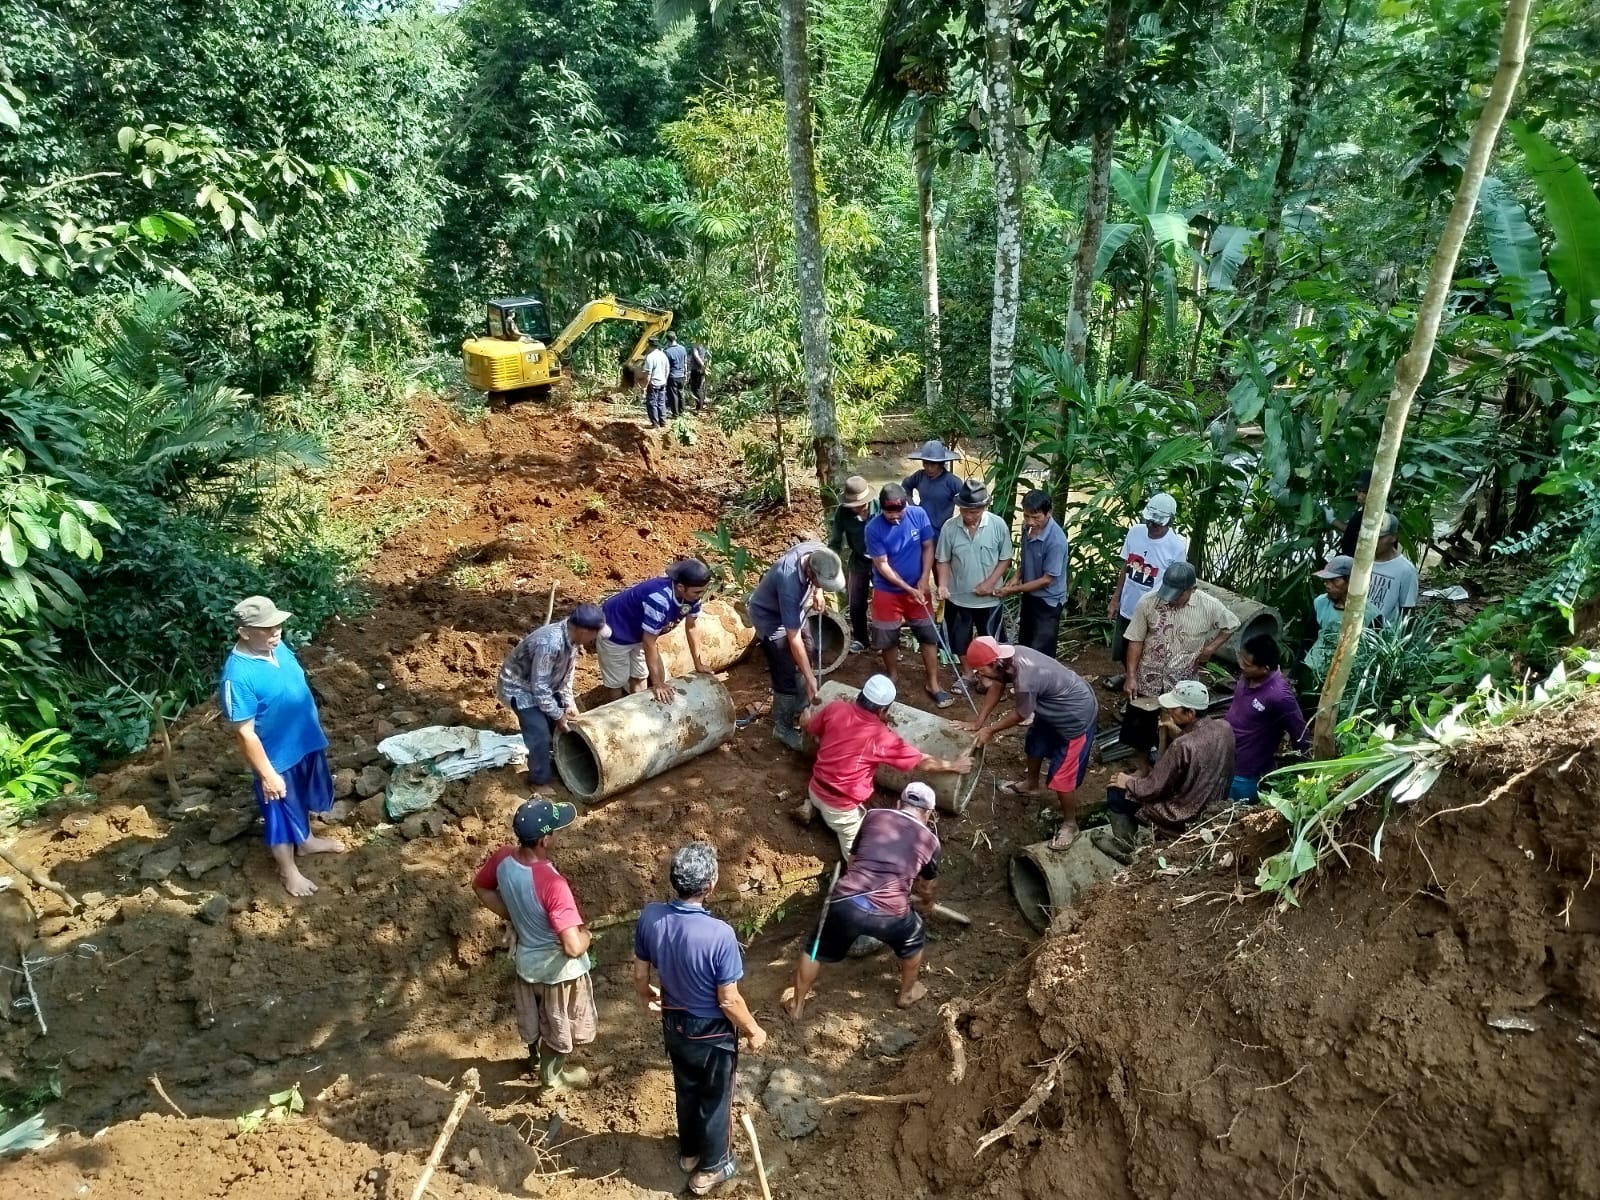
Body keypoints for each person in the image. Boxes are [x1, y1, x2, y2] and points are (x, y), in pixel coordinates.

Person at [633, 843, 767, 1197]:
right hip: (711, 1033)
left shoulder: (650, 916)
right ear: (710, 885)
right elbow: (729, 999)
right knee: (716, 1097)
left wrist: (649, 996)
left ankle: (689, 1154)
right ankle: (712, 1166)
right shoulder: (719, 934)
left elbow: (639, 974)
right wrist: (753, 1030)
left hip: (674, 1024)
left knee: (686, 1089)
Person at [220, 595, 346, 897]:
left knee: (301, 798)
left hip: (305, 743)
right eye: (266, 628)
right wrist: (267, 775)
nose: (275, 631)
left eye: (277, 625)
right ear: (244, 632)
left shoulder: (277, 647)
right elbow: (245, 733)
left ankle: (306, 841)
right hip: (277, 758)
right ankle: (288, 870)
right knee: (278, 815)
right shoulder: (238, 676)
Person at [784, 782, 941, 1021]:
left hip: (847, 902)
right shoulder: (931, 842)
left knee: (814, 950)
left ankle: (796, 1006)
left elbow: (853, 860)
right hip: (891, 915)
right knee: (915, 940)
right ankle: (906, 994)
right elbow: (927, 887)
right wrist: (926, 904)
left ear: (899, 803)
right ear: (928, 814)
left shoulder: (874, 816)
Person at [472, 799, 595, 1092]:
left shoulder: (503, 858)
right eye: (554, 831)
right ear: (544, 839)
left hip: (527, 964)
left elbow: (481, 887)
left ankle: (536, 1059)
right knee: (558, 1025)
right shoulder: (553, 885)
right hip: (557, 976)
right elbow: (572, 947)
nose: (556, 836)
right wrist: (587, 935)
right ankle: (552, 1078)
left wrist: (513, 915)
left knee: (535, 1016)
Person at [796, 674, 973, 855]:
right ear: (882, 711)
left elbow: (810, 727)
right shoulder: (881, 738)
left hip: (815, 787)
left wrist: (806, 719)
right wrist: (954, 765)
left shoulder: (835, 708)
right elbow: (923, 762)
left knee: (830, 804)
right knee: (861, 860)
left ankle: (812, 806)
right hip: (841, 809)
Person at [958, 637, 1099, 851]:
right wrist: (979, 722)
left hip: (1074, 717)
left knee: (1062, 777)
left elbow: (1021, 714)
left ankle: (1071, 824)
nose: (978, 675)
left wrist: (991, 729)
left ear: (995, 662)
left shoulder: (1026, 677)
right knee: (1034, 743)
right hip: (1051, 706)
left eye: (980, 670)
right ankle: (1031, 785)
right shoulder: (1007, 660)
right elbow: (997, 685)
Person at [1121, 562, 1239, 763]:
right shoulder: (1148, 602)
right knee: (1140, 725)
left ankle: (1168, 766)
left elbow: (1232, 624)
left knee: (1180, 729)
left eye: (1178, 594)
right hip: (1148, 676)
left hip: (1182, 683)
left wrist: (1210, 649)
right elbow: (1135, 639)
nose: (1171, 599)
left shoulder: (1209, 605)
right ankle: (1142, 766)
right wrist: (1131, 676)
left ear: (1191, 589)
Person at [1105, 680, 1235, 841]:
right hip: (1211, 804)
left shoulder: (1182, 745)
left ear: (1191, 713)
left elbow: (1154, 788)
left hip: (1181, 814)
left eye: (1174, 709)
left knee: (1116, 792)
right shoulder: (1224, 728)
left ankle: (1127, 843)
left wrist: (1128, 782)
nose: (1170, 711)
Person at [497, 604, 607, 792]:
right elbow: (539, 688)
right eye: (594, 634)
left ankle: (560, 761)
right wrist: (557, 714)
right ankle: (538, 782)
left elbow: (566, 675)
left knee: (561, 723)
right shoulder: (550, 643)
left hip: (545, 684)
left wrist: (568, 703)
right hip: (520, 688)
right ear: (583, 631)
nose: (594, 638)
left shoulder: (572, 640)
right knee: (539, 733)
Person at [748, 541, 847, 749]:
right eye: (819, 583)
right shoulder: (788, 581)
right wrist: (811, 678)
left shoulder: (819, 553)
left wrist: (818, 592)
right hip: (770, 617)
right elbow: (793, 639)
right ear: (810, 572)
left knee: (808, 649)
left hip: (796, 610)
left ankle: (803, 709)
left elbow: (801, 642)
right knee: (785, 667)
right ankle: (782, 728)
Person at [866, 483, 949, 708]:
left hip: (918, 589)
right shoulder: (873, 528)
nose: (894, 517)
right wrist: (907, 587)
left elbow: (928, 546)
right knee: (887, 637)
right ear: (881, 508)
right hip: (887, 591)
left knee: (928, 634)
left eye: (898, 511)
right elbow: (882, 565)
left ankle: (933, 683)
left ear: (906, 505)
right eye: (889, 512)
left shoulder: (918, 514)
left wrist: (923, 580)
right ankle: (892, 677)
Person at [598, 560, 712, 702]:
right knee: (617, 681)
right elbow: (649, 642)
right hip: (613, 630)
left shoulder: (692, 597)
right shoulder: (659, 599)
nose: (701, 595)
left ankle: (638, 707)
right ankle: (613, 711)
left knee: (640, 675)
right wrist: (658, 683)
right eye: (697, 592)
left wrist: (698, 664)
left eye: (703, 591)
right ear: (681, 587)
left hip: (637, 632)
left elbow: (692, 627)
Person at [1107, 492, 1189, 688]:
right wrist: (1115, 599)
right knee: (1123, 646)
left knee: (1145, 652)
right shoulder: (1135, 532)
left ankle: (1137, 688)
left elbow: (1177, 583)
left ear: (1169, 522)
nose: (1151, 527)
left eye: (1157, 524)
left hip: (1153, 610)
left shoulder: (1176, 547)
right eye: (1149, 522)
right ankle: (1128, 675)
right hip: (1128, 603)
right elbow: (1126, 567)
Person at [1223, 636, 1308, 802]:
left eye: (1247, 664)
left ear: (1265, 669)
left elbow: (1300, 733)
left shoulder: (1279, 696)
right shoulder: (1246, 676)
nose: (1241, 665)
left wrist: (1303, 771)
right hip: (1226, 754)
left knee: (1234, 813)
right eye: (1242, 659)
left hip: (1244, 770)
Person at [934, 478, 1012, 659]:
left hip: (989, 600)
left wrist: (990, 583)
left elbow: (1005, 558)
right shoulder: (950, 527)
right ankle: (968, 675)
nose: (968, 516)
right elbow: (943, 560)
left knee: (992, 644)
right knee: (959, 642)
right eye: (964, 511)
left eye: (974, 512)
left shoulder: (998, 525)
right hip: (959, 600)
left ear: (985, 508)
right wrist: (943, 586)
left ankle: (990, 679)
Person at [996, 489, 1068, 656]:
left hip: (1048, 601)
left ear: (1048, 513)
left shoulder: (1056, 540)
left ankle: (1043, 681)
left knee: (1042, 650)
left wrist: (1013, 590)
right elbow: (1027, 557)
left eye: (1036, 518)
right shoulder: (1026, 528)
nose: (1030, 522)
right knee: (1026, 642)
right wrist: (1016, 576)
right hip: (1030, 595)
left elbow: (1046, 580)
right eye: (1027, 516)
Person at [1304, 555, 1382, 675]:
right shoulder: (1320, 603)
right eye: (1326, 580)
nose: (1327, 585)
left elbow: (1376, 652)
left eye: (1334, 580)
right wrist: (1296, 673)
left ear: (1351, 581)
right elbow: (1308, 639)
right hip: (1316, 668)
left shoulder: (1370, 614)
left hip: (1350, 675)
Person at [829, 475, 875, 653]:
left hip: (882, 561)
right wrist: (830, 563)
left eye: (860, 505)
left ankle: (884, 642)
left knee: (882, 603)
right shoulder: (843, 512)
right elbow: (835, 541)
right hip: (858, 560)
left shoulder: (879, 507)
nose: (857, 509)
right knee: (856, 603)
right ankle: (862, 639)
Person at [901, 439, 964, 535]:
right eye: (926, 463)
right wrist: (912, 506)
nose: (929, 468)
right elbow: (906, 485)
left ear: (941, 463)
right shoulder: (919, 476)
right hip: (921, 527)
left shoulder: (952, 482)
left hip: (942, 531)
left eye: (933, 464)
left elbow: (967, 502)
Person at [1368, 511, 1419, 625]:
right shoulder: (1362, 561)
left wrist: (1404, 640)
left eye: (1379, 538)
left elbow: (1408, 609)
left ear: (1393, 537)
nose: (1373, 542)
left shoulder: (1405, 569)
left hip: (1383, 635)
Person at [1334, 468, 1372, 558]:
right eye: (1358, 491)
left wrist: (1333, 521)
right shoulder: (1358, 514)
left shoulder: (1379, 518)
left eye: (1364, 492)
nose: (1359, 495)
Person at [642, 337, 670, 428]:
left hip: (653, 384)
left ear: (649, 345)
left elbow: (648, 374)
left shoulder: (650, 357)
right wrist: (665, 379)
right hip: (662, 383)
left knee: (652, 403)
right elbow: (667, 369)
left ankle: (655, 423)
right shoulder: (663, 355)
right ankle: (663, 422)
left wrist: (644, 387)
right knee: (661, 402)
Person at [664, 331, 690, 418]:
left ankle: (675, 414)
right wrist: (685, 374)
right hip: (681, 375)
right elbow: (685, 362)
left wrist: (665, 378)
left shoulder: (667, 351)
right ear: (676, 337)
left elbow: (666, 366)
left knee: (673, 395)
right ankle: (682, 412)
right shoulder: (683, 348)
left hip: (672, 376)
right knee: (681, 393)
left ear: (667, 340)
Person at [689, 342, 710, 410]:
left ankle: (700, 407)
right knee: (699, 388)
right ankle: (699, 406)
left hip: (696, 369)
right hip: (701, 369)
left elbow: (696, 356)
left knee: (696, 389)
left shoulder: (695, 345)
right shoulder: (704, 344)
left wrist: (703, 366)